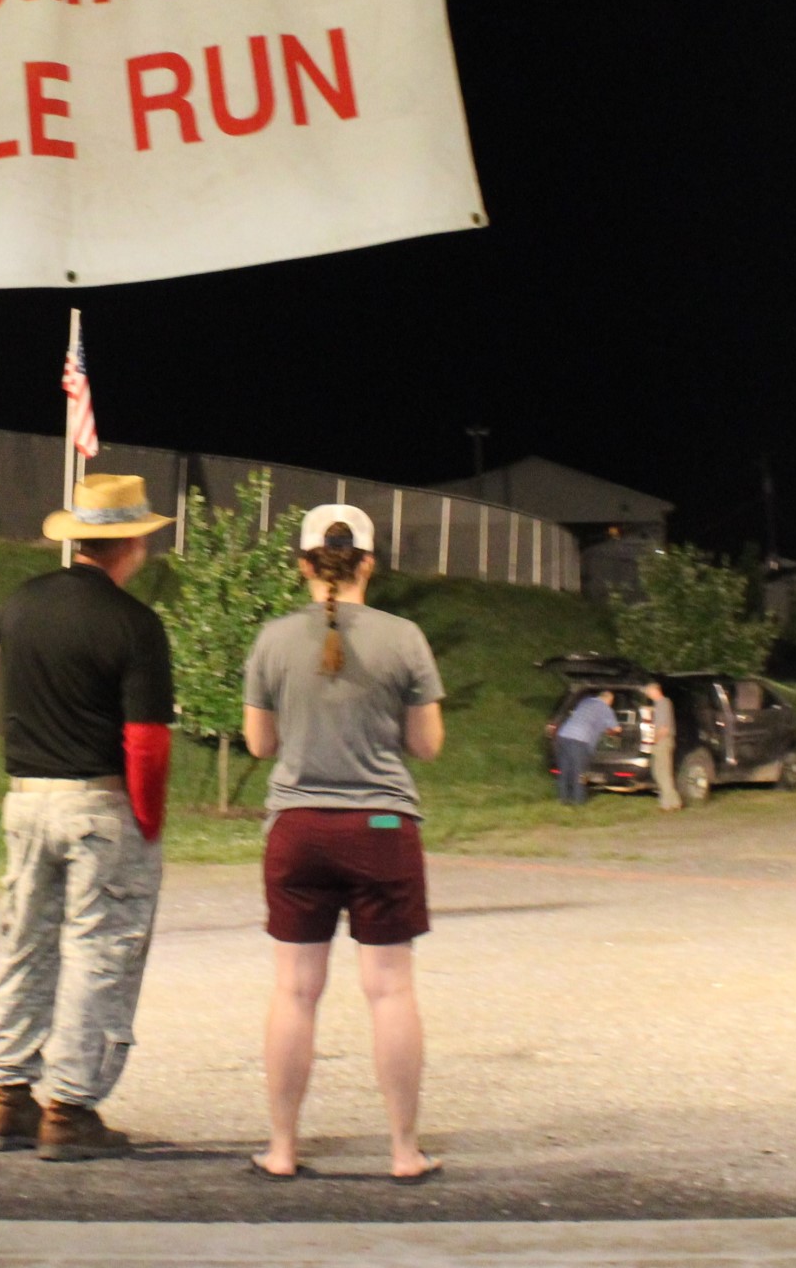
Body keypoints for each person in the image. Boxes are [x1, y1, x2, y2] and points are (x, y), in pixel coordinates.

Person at [240, 505, 446, 1184]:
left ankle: (281, 1148)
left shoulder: (271, 641)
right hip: (382, 828)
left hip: (298, 830)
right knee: (389, 990)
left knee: (295, 990)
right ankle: (403, 1150)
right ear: (368, 563)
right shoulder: (405, 638)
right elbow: (427, 744)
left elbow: (260, 745)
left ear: (302, 564)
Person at [0, 472, 175, 1161]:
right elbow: (147, 741)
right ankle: (71, 1107)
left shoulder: (17, 605)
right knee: (101, 949)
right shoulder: (135, 624)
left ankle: (9, 1095)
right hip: (101, 803)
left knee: (25, 940)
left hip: (26, 798)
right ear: (134, 542)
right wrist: (148, 820)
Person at [552, 688, 617, 805]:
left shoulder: (585, 701)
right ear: (609, 700)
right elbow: (616, 728)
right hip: (579, 740)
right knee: (580, 773)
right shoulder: (605, 708)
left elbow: (586, 718)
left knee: (565, 771)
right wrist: (610, 732)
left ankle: (563, 800)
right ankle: (579, 801)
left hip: (563, 736)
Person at [643, 680, 681, 811]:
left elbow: (664, 728)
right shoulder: (660, 704)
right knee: (659, 772)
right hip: (660, 741)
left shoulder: (663, 704)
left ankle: (669, 804)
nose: (648, 695)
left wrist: (654, 741)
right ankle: (673, 802)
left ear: (655, 690)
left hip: (662, 741)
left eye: (648, 692)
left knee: (662, 772)